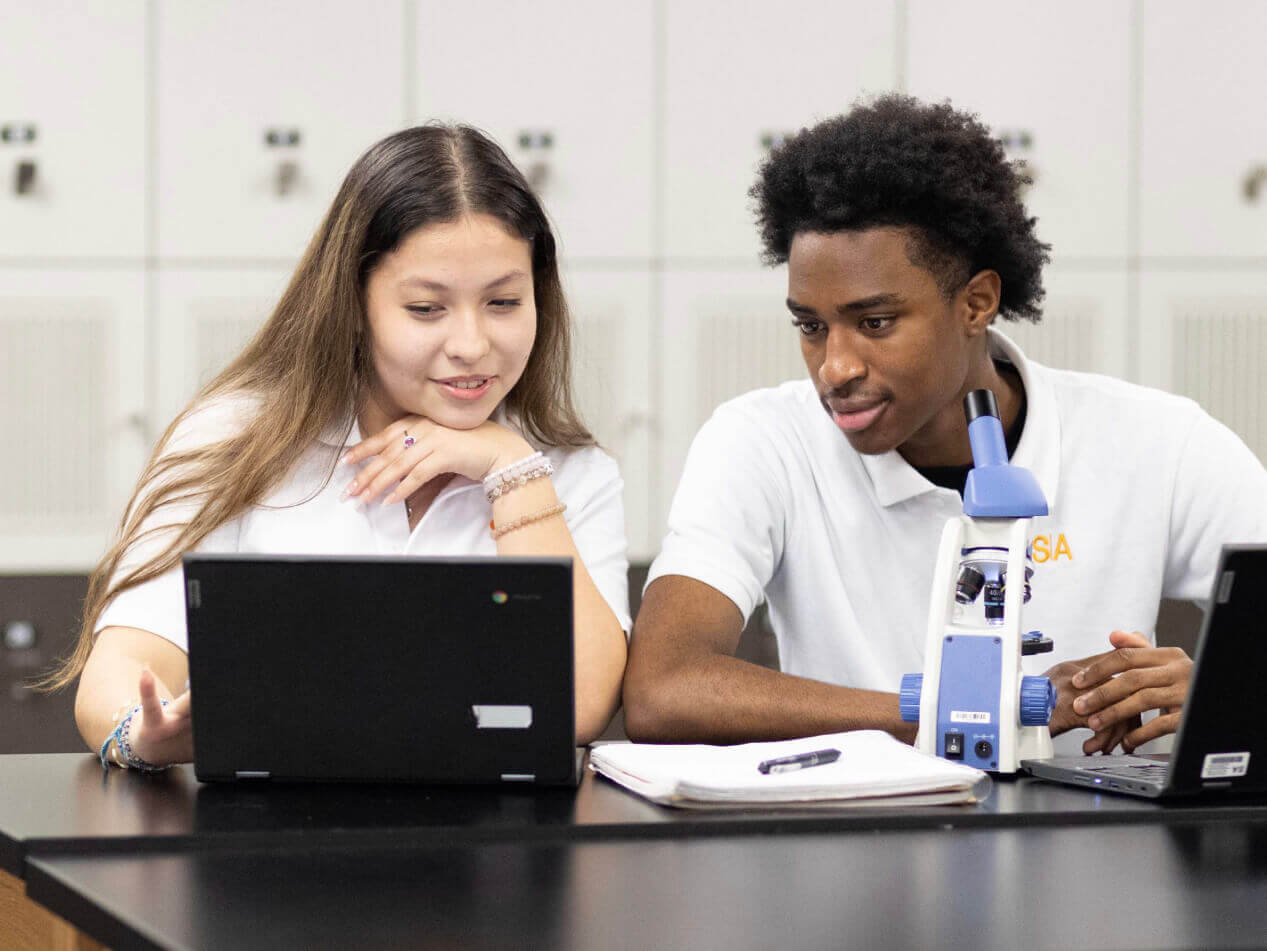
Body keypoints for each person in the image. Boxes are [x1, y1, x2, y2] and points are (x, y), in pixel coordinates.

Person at [624, 94, 1267, 755]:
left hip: (1091, 819)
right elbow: (663, 688)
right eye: (811, 326)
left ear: (976, 303)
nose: (834, 368)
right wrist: (965, 709)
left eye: (875, 322)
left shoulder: (1157, 441)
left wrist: (1223, 688)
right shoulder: (763, 441)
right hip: (859, 821)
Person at [50, 124, 631, 769]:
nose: (471, 345)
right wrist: (140, 733)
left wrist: (510, 468)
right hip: (275, 830)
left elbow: (578, 706)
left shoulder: (569, 472)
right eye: (426, 309)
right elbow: (123, 664)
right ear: (354, 303)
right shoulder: (236, 439)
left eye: (503, 302)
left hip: (496, 834)